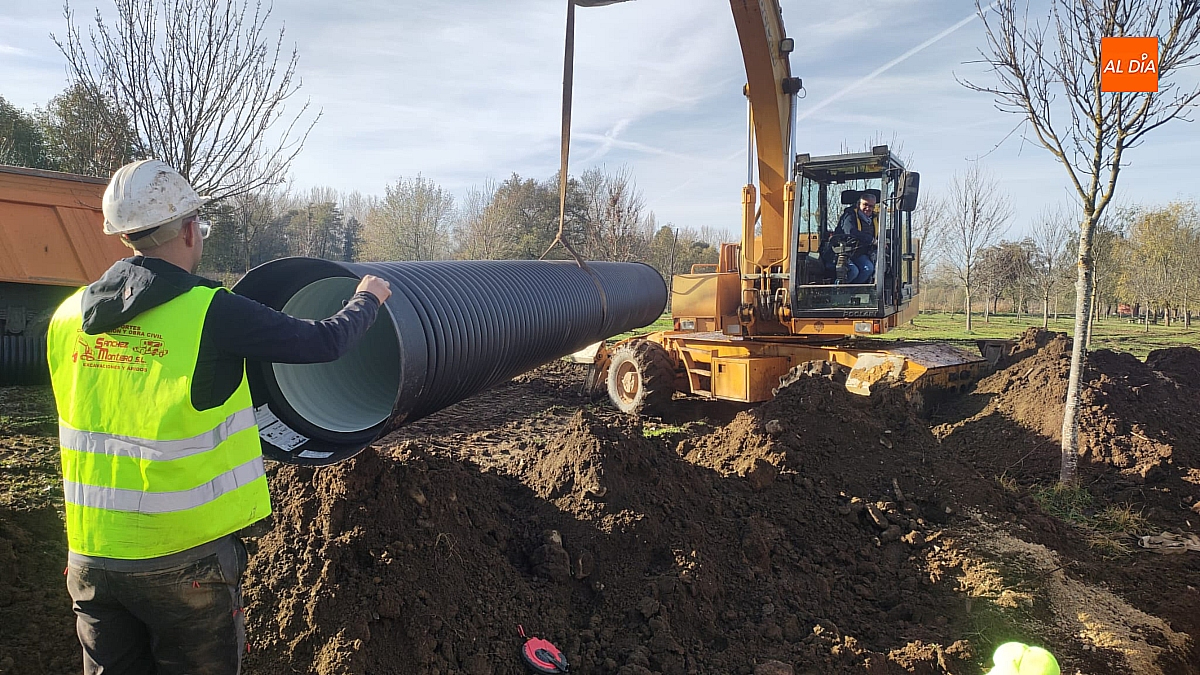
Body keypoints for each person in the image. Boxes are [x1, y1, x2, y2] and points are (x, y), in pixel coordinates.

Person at [46, 159, 393, 675]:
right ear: (189, 229)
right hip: (184, 561)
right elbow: (325, 341)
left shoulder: (68, 315)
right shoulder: (211, 310)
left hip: (91, 557)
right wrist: (367, 298)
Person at [835, 191, 878, 284]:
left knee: (868, 269)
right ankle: (837, 291)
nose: (868, 208)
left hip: (860, 253)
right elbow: (851, 231)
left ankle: (854, 292)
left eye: (871, 206)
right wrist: (871, 240)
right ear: (859, 204)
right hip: (844, 252)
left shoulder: (874, 219)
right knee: (853, 271)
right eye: (865, 205)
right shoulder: (849, 216)